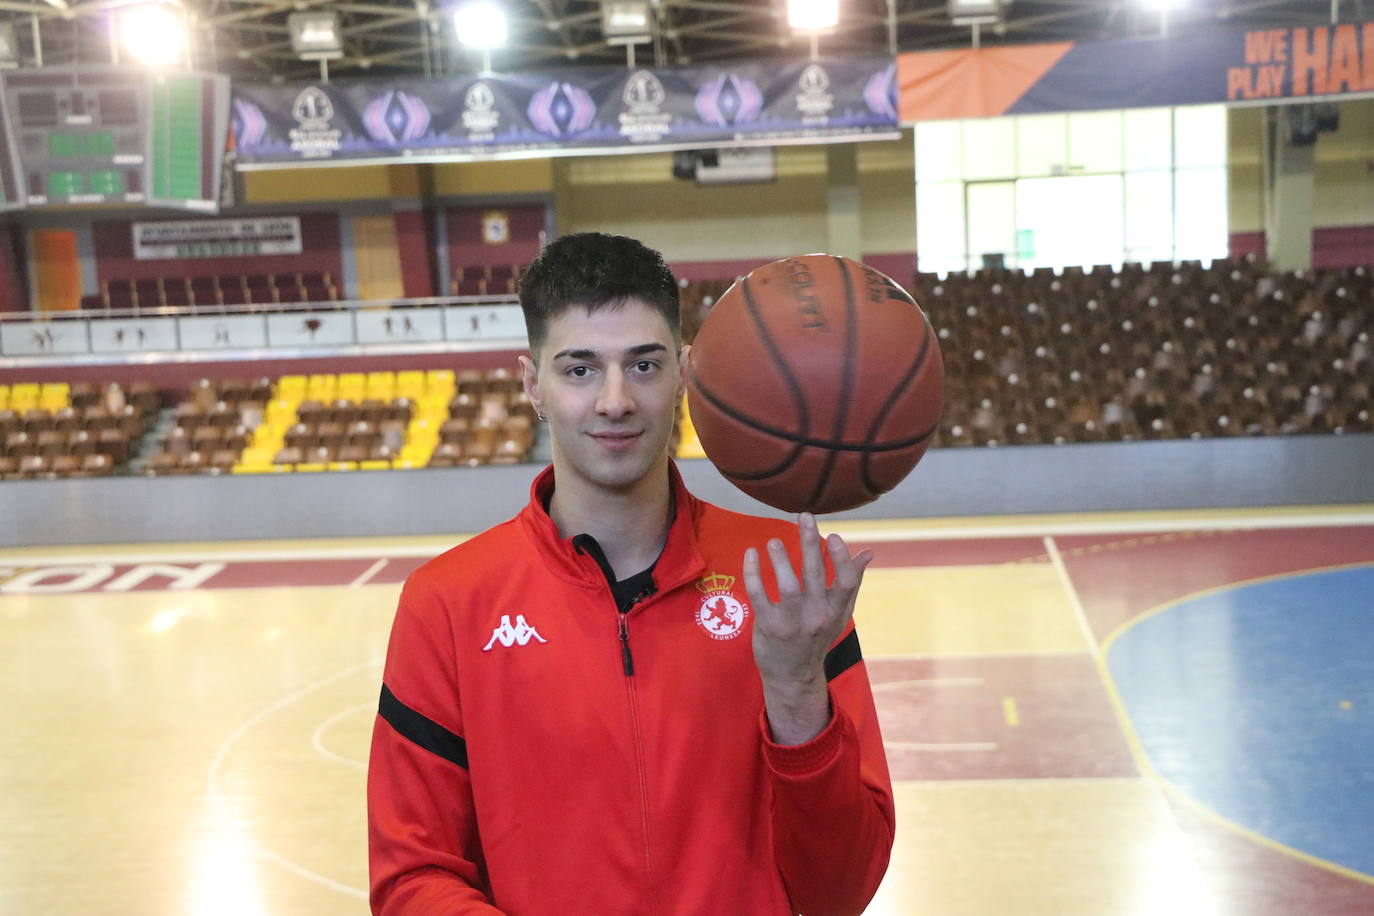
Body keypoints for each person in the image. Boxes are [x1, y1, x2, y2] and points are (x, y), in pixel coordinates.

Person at [367, 233, 894, 915]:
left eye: (643, 366)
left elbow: (840, 892)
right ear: (533, 384)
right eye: (579, 370)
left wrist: (795, 690)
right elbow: (410, 879)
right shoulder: (448, 604)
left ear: (684, 371)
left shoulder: (786, 579)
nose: (615, 401)